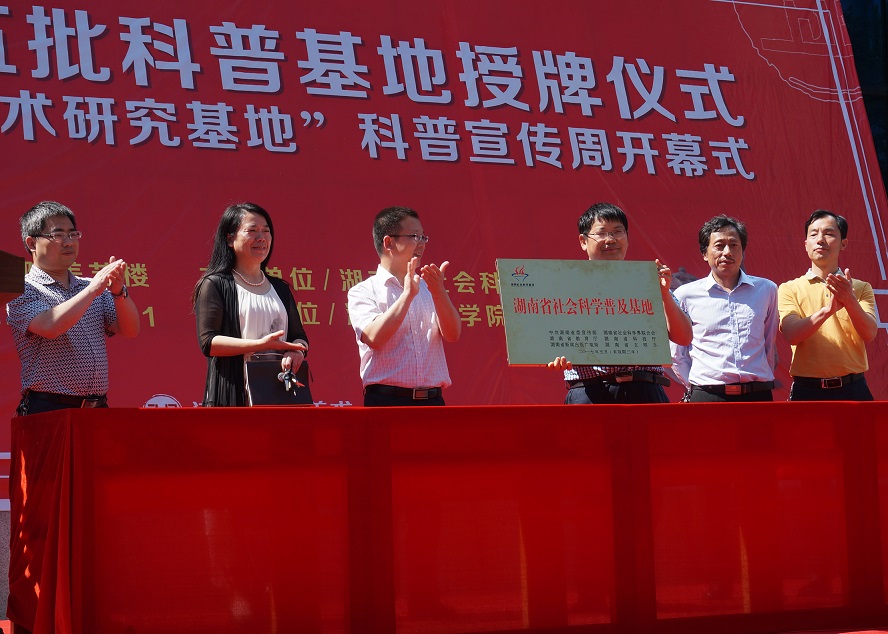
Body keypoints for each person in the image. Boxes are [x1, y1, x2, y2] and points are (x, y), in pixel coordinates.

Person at [548, 202, 693, 403]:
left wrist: (663, 294)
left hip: (645, 392)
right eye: (601, 233)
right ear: (583, 241)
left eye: (618, 232)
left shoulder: (649, 280)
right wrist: (552, 354)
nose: (611, 239)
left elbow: (684, 337)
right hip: (589, 393)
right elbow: (545, 338)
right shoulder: (564, 285)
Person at [6, 201, 140, 416]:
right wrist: (93, 290)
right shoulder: (22, 288)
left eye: (73, 234)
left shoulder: (90, 286)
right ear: (32, 243)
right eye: (58, 235)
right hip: (49, 408)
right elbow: (50, 326)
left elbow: (130, 330)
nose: (68, 242)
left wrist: (118, 292)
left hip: (97, 408)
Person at [192, 202, 308, 407]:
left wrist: (296, 351)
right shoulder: (215, 284)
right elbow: (209, 342)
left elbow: (299, 337)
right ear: (230, 239)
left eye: (266, 231)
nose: (261, 238)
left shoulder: (280, 288)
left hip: (278, 394)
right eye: (252, 231)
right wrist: (261, 345)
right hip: (233, 397)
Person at [347, 206, 461, 406]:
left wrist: (439, 292)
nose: (422, 244)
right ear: (389, 242)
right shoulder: (364, 291)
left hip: (433, 402)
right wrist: (407, 295)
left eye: (424, 237)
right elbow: (374, 337)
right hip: (387, 402)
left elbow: (453, 334)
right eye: (415, 236)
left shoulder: (429, 287)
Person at [670, 215, 778, 402]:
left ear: (742, 251)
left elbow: (769, 345)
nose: (727, 252)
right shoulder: (685, 295)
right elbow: (677, 355)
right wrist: (697, 387)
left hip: (757, 395)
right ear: (705, 253)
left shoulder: (766, 289)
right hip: (707, 396)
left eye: (734, 245)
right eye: (719, 246)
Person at [777, 209, 877, 400]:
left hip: (853, 388)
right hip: (807, 390)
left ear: (843, 243)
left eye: (829, 233)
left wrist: (849, 300)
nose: (820, 240)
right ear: (806, 245)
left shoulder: (860, 287)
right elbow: (791, 335)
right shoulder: (789, 288)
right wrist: (828, 311)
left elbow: (869, 333)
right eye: (813, 234)